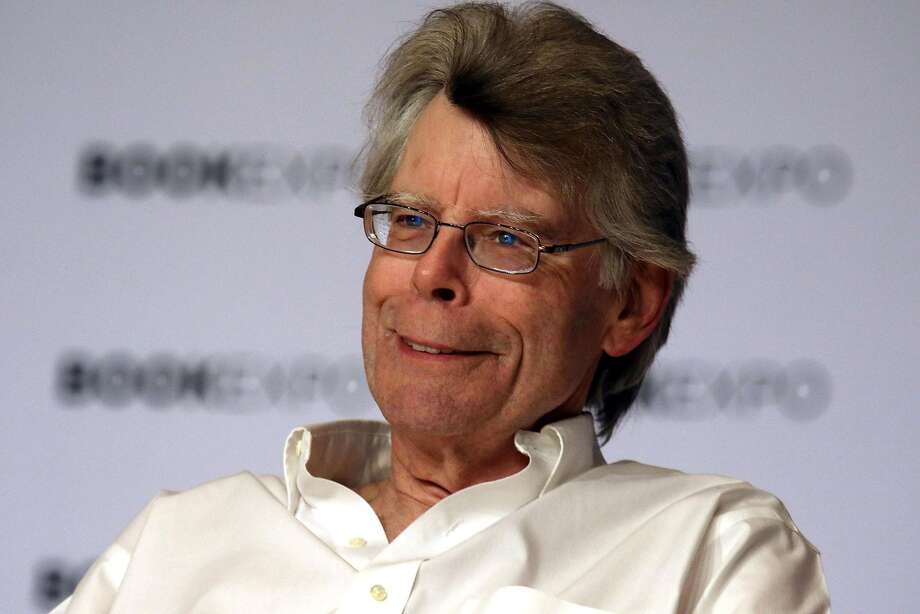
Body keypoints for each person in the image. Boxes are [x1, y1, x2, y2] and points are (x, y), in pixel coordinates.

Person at [52, 2, 830, 613]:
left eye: (508, 239)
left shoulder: (708, 552)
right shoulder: (176, 543)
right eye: (411, 221)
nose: (433, 273)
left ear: (630, 303)